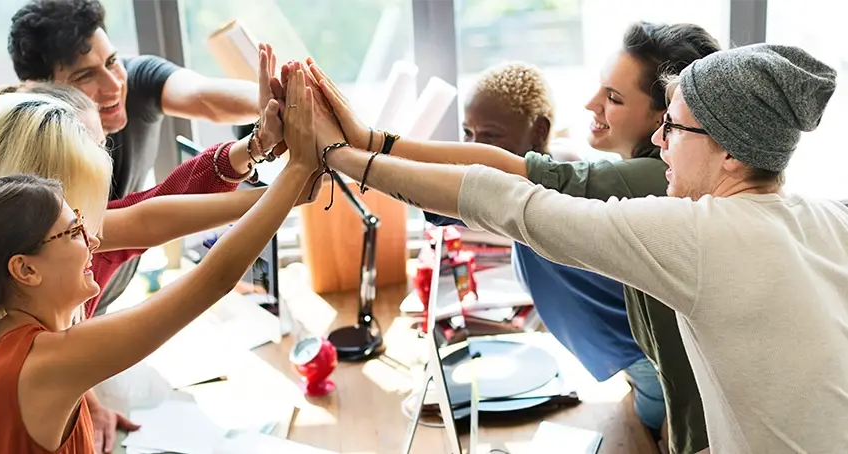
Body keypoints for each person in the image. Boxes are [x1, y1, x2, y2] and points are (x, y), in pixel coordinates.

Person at [307, 43, 847, 452]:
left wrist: (343, 155)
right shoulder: (830, 217)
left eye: (674, 128)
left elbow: (511, 203)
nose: (659, 142)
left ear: (730, 152)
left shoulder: (699, 234)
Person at [0, 48, 317, 454]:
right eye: (77, 224)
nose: (94, 236)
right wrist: (294, 178)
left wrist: (262, 158)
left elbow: (145, 218)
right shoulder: (37, 350)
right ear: (24, 265)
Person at [412, 23, 719, 453]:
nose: (590, 103)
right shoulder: (633, 178)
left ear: (662, 115)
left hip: (664, 386)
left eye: (613, 97)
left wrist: (364, 152)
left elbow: (497, 187)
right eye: (600, 88)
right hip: (644, 375)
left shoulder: (650, 181)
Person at [8, 0, 271, 314]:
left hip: (99, 302)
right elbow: (141, 222)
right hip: (54, 320)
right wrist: (287, 190)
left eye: (112, 61)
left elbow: (203, 96)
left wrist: (269, 102)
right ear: (40, 91)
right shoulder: (28, 166)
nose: (115, 85)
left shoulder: (133, 79)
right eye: (84, 77)